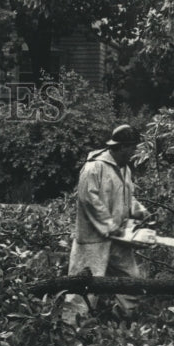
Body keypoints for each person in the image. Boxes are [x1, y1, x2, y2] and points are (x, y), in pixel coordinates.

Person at [63, 124, 150, 319]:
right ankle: (71, 334)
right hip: (93, 240)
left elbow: (127, 199)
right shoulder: (94, 167)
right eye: (133, 147)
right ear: (122, 147)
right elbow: (89, 201)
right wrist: (111, 227)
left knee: (132, 284)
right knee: (82, 290)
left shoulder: (125, 169)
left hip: (118, 239)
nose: (135, 151)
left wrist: (141, 212)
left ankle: (122, 323)